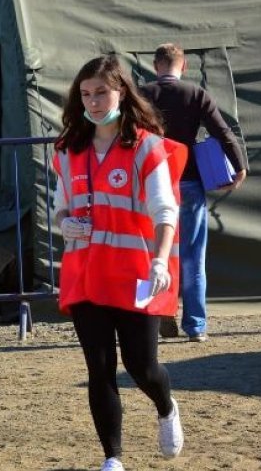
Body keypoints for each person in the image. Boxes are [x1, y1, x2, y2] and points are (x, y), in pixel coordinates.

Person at [52, 55, 186, 471]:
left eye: (101, 92)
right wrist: (65, 224)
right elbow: (59, 208)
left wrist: (160, 262)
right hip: (87, 275)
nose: (92, 101)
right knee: (100, 368)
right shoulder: (68, 149)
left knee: (141, 367)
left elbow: (166, 211)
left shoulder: (146, 146)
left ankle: (165, 406)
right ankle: (113, 459)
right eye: (86, 94)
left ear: (122, 92)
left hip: (135, 275)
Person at [139, 42, 248, 342]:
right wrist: (239, 166)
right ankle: (196, 326)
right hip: (188, 182)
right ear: (184, 66)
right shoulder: (196, 94)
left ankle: (158, 312)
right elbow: (222, 132)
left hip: (150, 182)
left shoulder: (141, 95)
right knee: (192, 257)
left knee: (154, 254)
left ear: (155, 65)